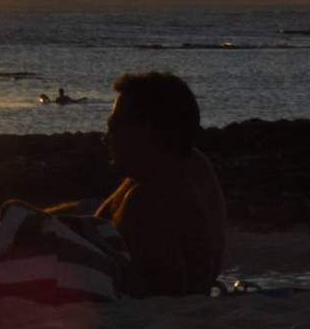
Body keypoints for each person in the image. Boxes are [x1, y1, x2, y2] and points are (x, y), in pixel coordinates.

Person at [94, 72, 227, 296]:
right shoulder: (193, 164)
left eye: (114, 126)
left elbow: (167, 294)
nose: (106, 138)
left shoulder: (144, 204)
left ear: (145, 131)